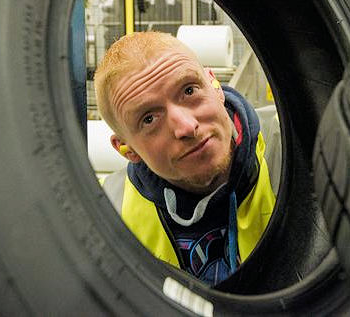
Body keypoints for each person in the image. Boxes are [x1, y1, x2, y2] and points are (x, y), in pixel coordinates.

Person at [95, 31, 276, 285]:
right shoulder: (107, 214)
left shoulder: (295, 149)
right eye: (149, 119)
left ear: (215, 86)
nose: (187, 127)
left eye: (189, 90)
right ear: (127, 149)